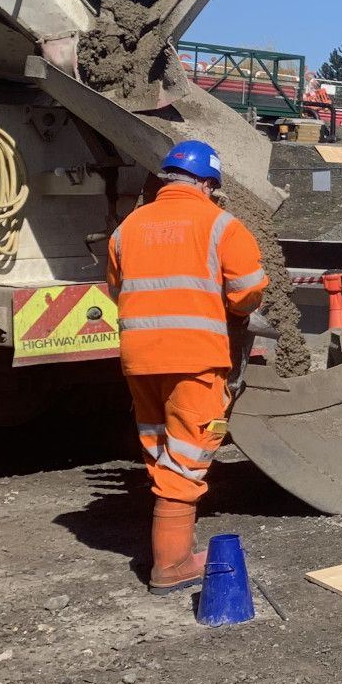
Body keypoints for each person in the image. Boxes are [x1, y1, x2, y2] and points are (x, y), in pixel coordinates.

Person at [106, 141, 268, 593]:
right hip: (194, 359)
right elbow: (248, 291)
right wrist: (233, 309)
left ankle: (169, 550)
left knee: (160, 448)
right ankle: (172, 564)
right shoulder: (220, 225)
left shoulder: (128, 227)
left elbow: (117, 288)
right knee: (189, 455)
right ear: (207, 183)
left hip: (140, 359)